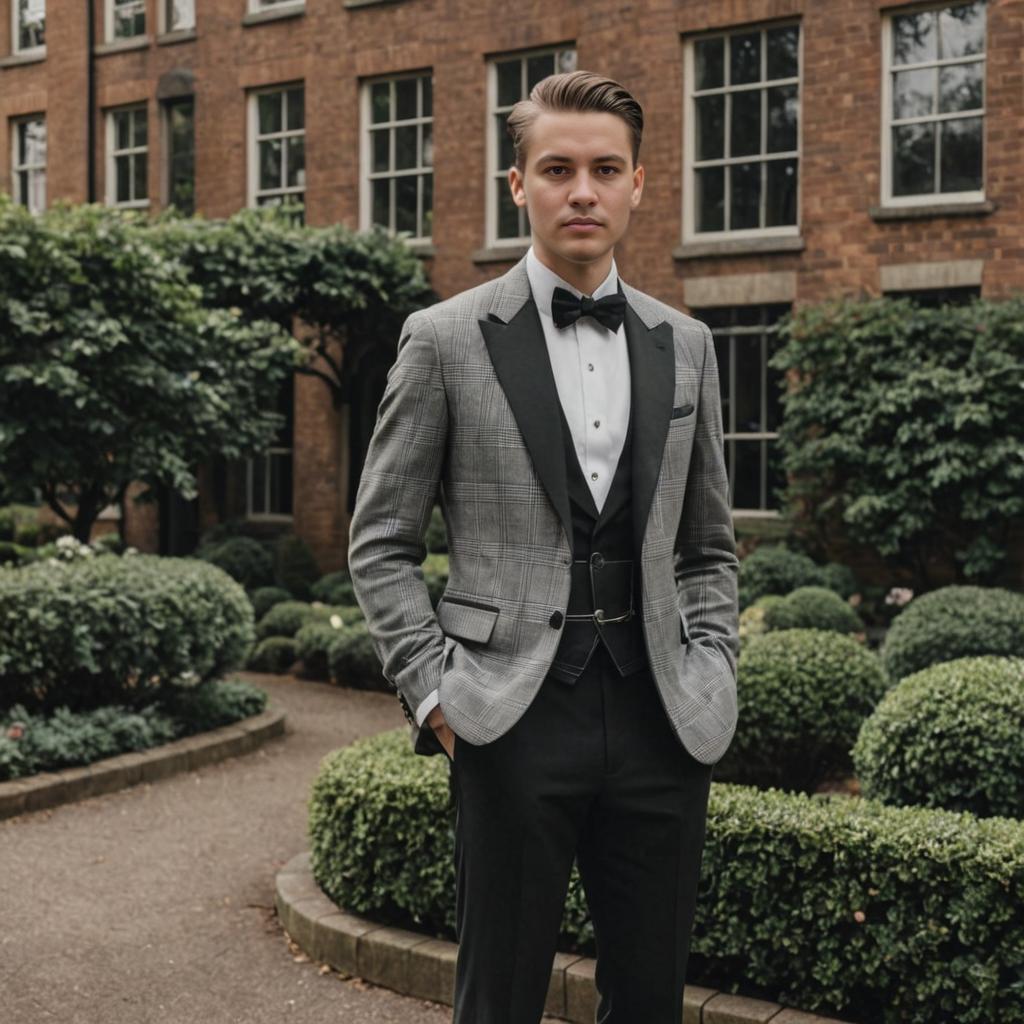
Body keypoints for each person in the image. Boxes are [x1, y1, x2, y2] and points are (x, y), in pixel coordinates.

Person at [347, 68, 739, 1024]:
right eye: (557, 168)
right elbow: (381, 539)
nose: (583, 190)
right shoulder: (442, 340)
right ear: (517, 185)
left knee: (649, 1001)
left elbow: (708, 546)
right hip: (507, 717)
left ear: (639, 183)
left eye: (606, 169)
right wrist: (437, 696)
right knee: (499, 1000)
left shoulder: (685, 343)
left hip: (661, 719)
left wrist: (715, 664)